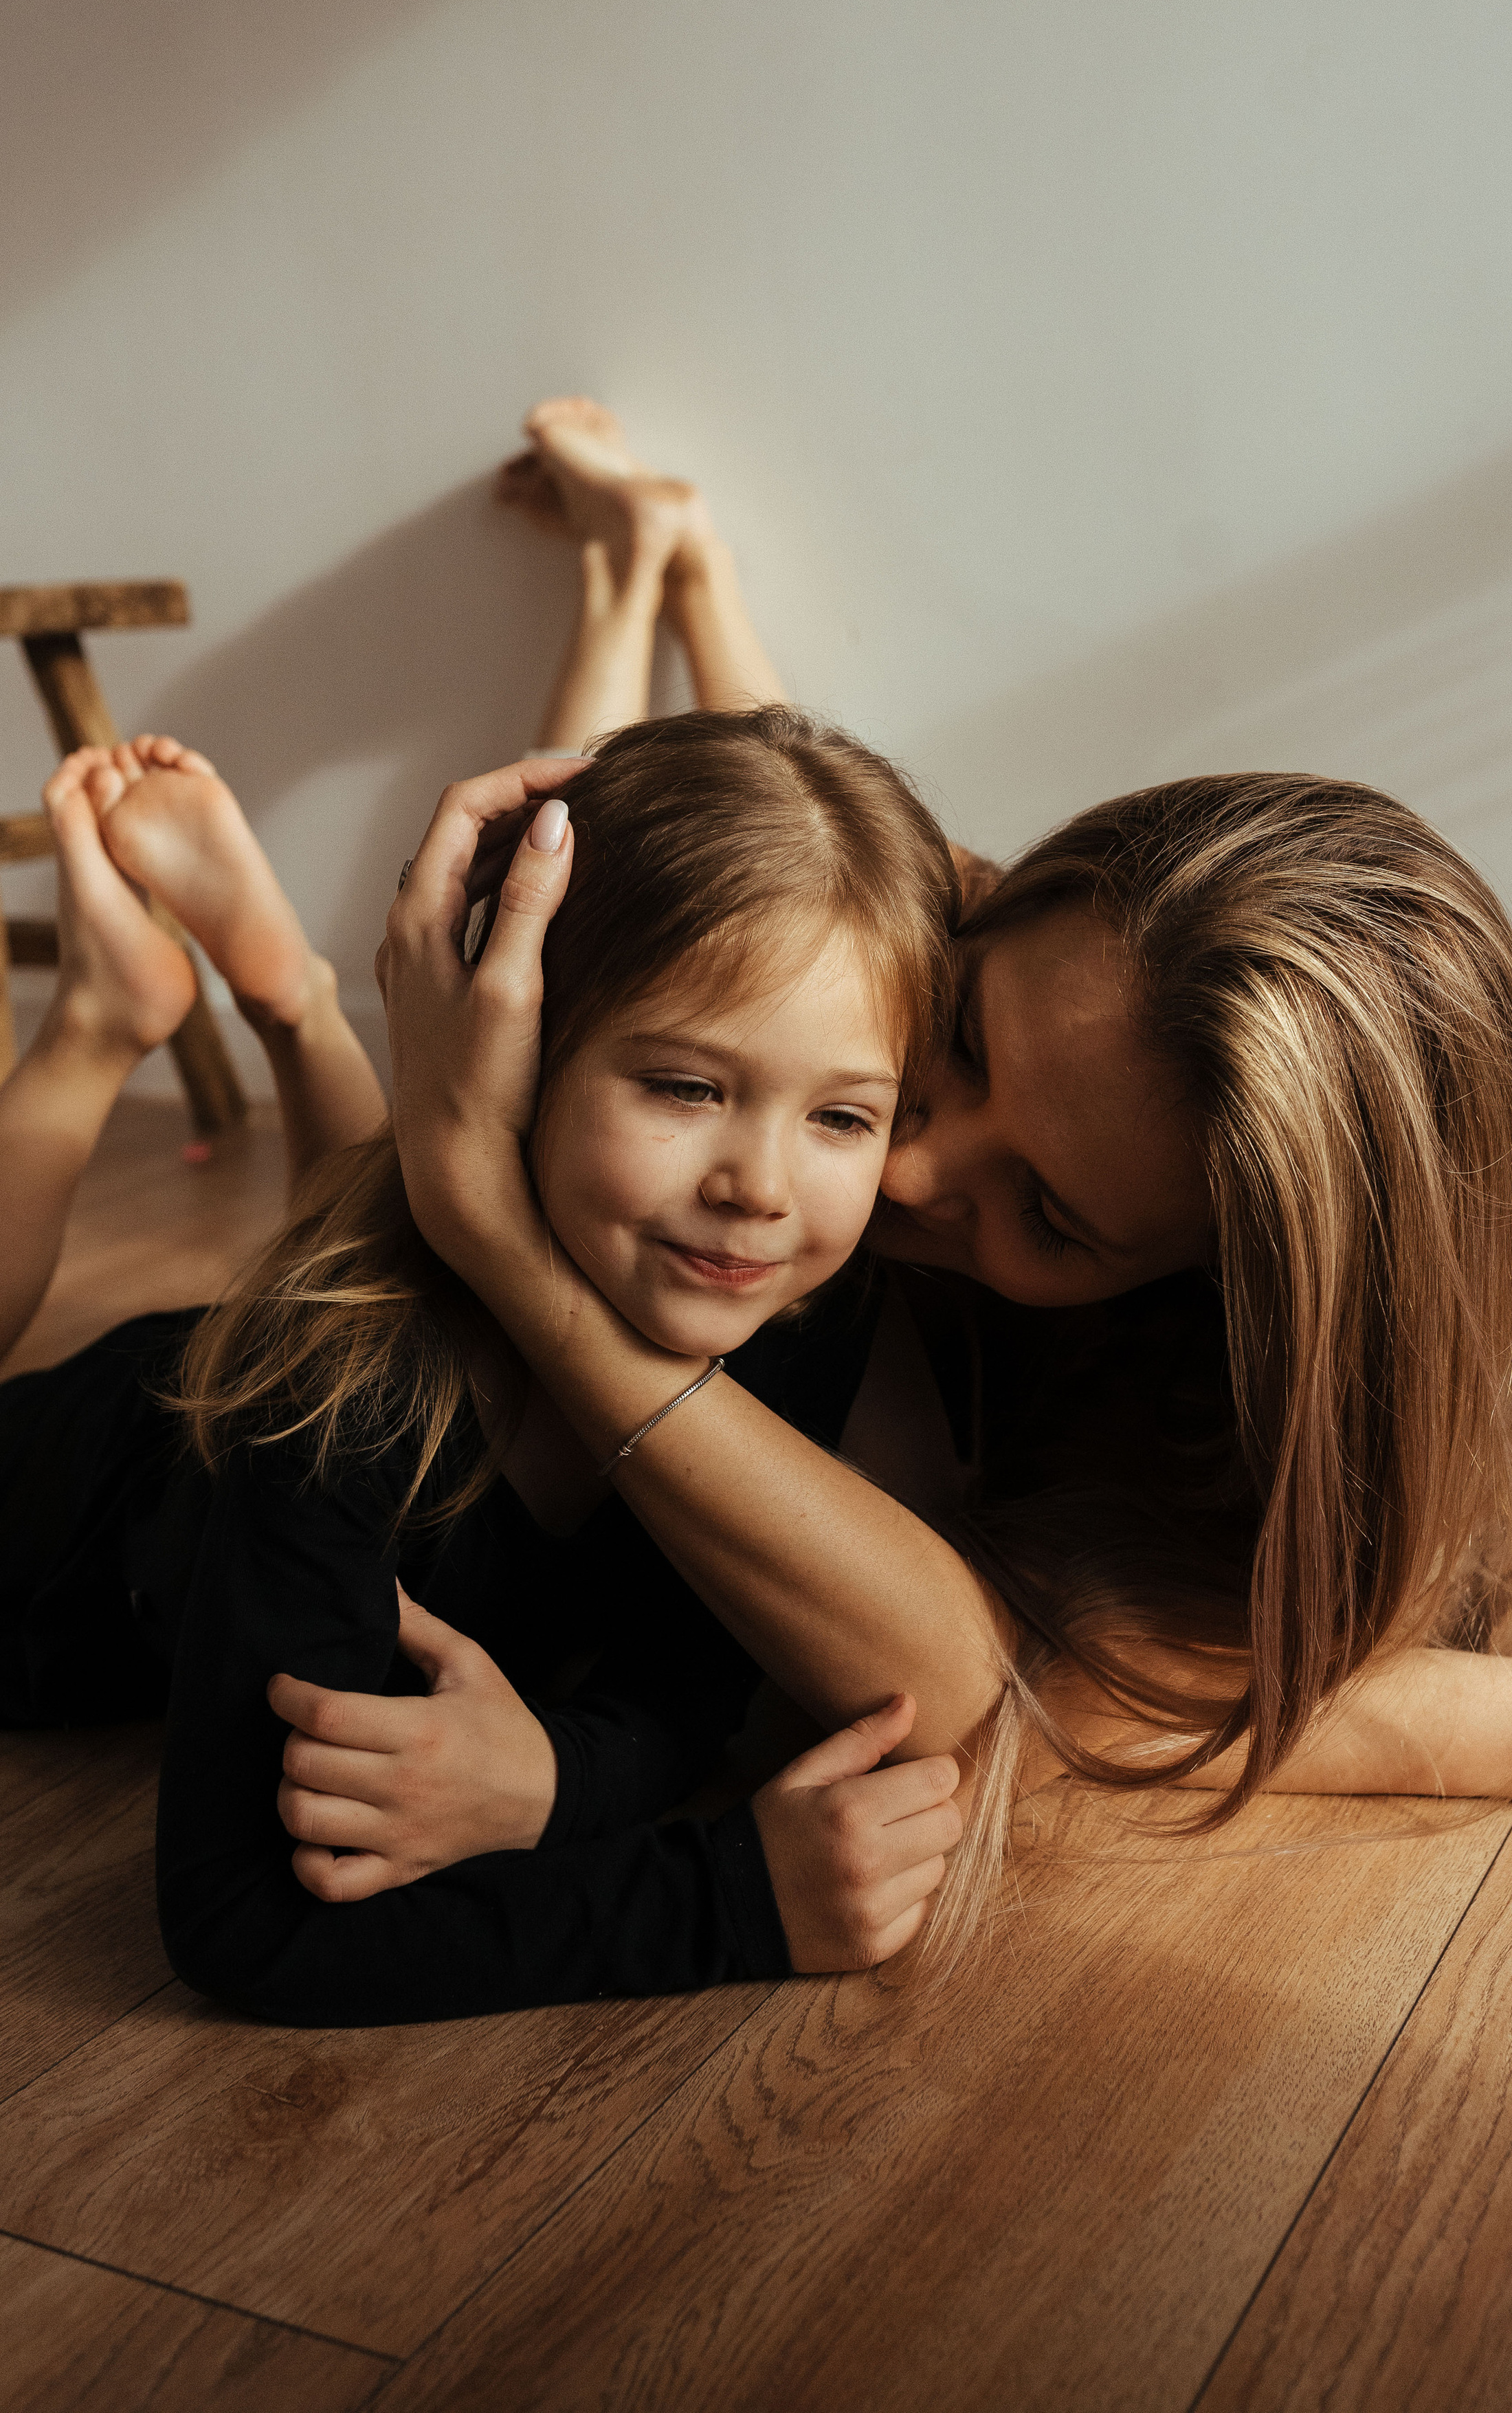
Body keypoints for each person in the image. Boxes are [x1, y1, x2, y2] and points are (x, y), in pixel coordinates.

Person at [297, 396, 1512, 1955]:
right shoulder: (954, 950)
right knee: (759, 887)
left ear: (1187, 1288)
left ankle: (668, 565)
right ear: (1007, 908)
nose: (913, 1166)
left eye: (1049, 1217)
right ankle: (666, 570)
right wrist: (447, 1148)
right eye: (971, 1048)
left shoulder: (1177, 1383)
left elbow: (1032, 1686)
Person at [0, 700, 970, 2023]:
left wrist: (561, 1782)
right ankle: (103, 1025)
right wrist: (729, 1897)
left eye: (842, 1115)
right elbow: (240, 1919)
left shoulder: (795, 1305)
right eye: (685, 1088)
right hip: (61, 1509)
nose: (762, 1187)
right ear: (508, 1057)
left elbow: (685, 1682)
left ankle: (280, 994)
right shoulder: (343, 1391)